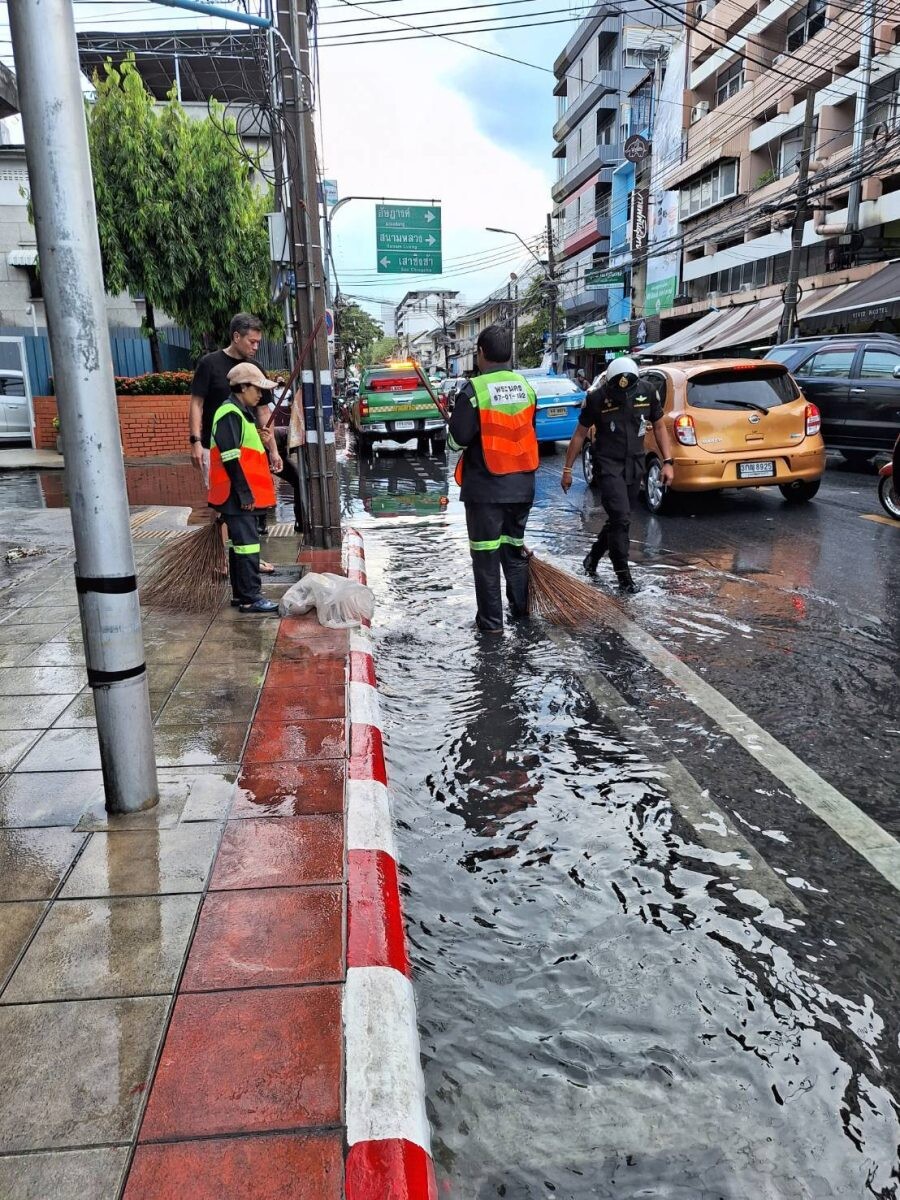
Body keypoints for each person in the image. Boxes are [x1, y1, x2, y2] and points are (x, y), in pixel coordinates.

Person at [448, 324, 539, 634]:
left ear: (481, 354)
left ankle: (491, 626)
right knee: (513, 553)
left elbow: (457, 440)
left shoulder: (474, 391)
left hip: (486, 490)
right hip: (523, 487)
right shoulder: (526, 387)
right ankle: (521, 615)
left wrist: (452, 430)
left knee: (486, 560)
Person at [560, 355, 675, 595]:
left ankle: (592, 558)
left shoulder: (648, 391)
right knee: (621, 519)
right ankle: (624, 578)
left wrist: (668, 462)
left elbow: (660, 426)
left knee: (618, 519)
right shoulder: (596, 398)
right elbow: (580, 434)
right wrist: (568, 470)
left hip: (635, 464)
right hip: (608, 464)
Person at [207, 362, 279, 614]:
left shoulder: (239, 413)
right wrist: (244, 493)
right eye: (257, 388)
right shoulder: (229, 413)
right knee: (248, 546)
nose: (260, 394)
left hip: (236, 493)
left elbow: (243, 452)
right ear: (242, 387)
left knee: (240, 546)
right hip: (235, 494)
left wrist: (262, 441)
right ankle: (251, 597)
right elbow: (229, 457)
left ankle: (241, 595)